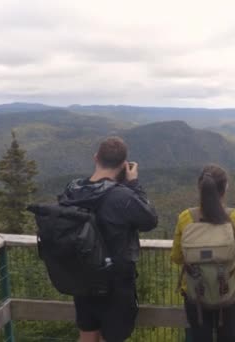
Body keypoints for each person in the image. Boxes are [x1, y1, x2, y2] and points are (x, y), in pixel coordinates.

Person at [58, 137, 158, 342]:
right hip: (116, 282)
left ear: (96, 158)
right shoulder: (123, 196)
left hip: (82, 278)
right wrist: (133, 184)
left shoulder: (73, 191)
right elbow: (149, 220)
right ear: (124, 165)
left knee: (87, 335)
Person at [170, 164, 235, 342]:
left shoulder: (186, 218)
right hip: (228, 292)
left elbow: (176, 257)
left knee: (199, 338)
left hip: (195, 293)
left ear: (200, 188)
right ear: (225, 187)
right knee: (228, 338)